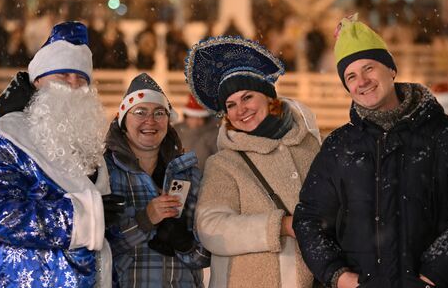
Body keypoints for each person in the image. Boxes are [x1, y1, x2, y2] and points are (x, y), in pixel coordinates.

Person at [293, 15, 448, 288]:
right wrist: (339, 276)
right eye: (351, 76)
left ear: (391, 69)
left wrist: (432, 274)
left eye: (369, 68)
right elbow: (309, 220)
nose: (362, 81)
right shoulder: (338, 147)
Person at [0, 21, 123, 287]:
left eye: (81, 78)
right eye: (63, 76)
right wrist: (82, 217)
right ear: (38, 80)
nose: (73, 85)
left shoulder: (89, 144)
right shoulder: (4, 137)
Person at [185, 36, 321, 287]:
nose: (241, 110)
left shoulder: (309, 145)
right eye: (231, 105)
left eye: (247, 97)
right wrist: (279, 226)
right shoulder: (225, 163)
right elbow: (211, 227)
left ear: (269, 97)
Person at [104, 73, 210, 287]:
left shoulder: (189, 174)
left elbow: (205, 257)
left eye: (159, 113)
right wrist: (144, 220)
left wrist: (183, 243)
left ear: (168, 121)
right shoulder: (105, 172)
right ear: (123, 120)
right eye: (140, 112)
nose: (150, 121)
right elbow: (96, 250)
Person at [174, 94, 219, 171]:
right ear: (186, 117)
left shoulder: (213, 133)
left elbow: (218, 156)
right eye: (192, 118)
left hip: (205, 175)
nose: (196, 121)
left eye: (199, 118)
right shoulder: (177, 130)